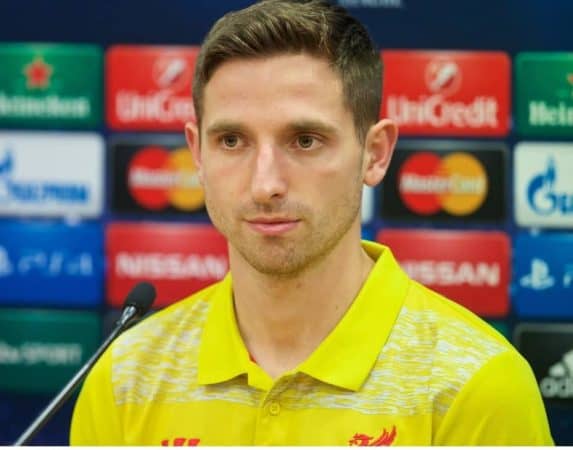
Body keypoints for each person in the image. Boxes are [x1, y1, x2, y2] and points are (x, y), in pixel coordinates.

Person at [70, 0, 553, 445]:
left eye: (304, 140)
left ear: (375, 153)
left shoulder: (479, 383)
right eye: (232, 141)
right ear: (197, 153)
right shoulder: (124, 376)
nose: (265, 185)